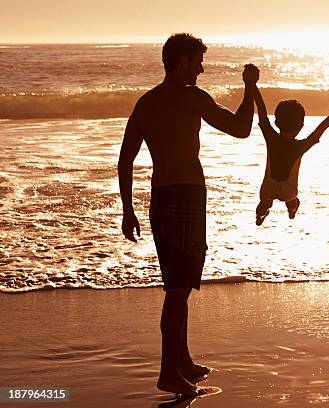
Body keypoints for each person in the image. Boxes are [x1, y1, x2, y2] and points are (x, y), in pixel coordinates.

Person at [117, 33, 259, 396]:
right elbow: (242, 128)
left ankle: (181, 361)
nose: (201, 68)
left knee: (179, 286)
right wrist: (250, 88)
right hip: (187, 198)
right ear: (181, 61)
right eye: (197, 61)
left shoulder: (146, 103)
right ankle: (168, 372)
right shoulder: (193, 97)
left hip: (161, 199)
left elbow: (125, 160)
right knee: (178, 291)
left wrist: (128, 210)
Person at [254, 86, 329, 225]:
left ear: (276, 123)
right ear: (301, 125)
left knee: (264, 203)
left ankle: (259, 217)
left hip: (268, 188)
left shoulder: (271, 138)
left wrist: (253, 85)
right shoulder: (300, 146)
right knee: (292, 200)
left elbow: (262, 111)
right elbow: (323, 126)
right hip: (289, 192)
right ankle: (292, 210)